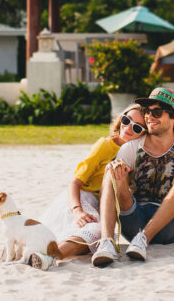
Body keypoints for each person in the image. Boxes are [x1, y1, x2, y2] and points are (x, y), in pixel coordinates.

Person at [92, 87, 174, 267]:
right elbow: (119, 189)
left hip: (172, 226)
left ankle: (144, 239)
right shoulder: (132, 148)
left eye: (157, 112)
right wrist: (119, 173)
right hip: (134, 222)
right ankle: (106, 242)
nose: (149, 117)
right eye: (147, 111)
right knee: (112, 169)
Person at [38, 104, 148, 266]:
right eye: (126, 120)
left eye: (137, 128)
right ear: (120, 120)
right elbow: (75, 182)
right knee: (97, 232)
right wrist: (77, 211)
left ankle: (47, 254)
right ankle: (48, 256)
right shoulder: (105, 146)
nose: (128, 128)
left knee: (91, 242)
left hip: (100, 208)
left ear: (144, 135)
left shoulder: (137, 156)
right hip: (81, 200)